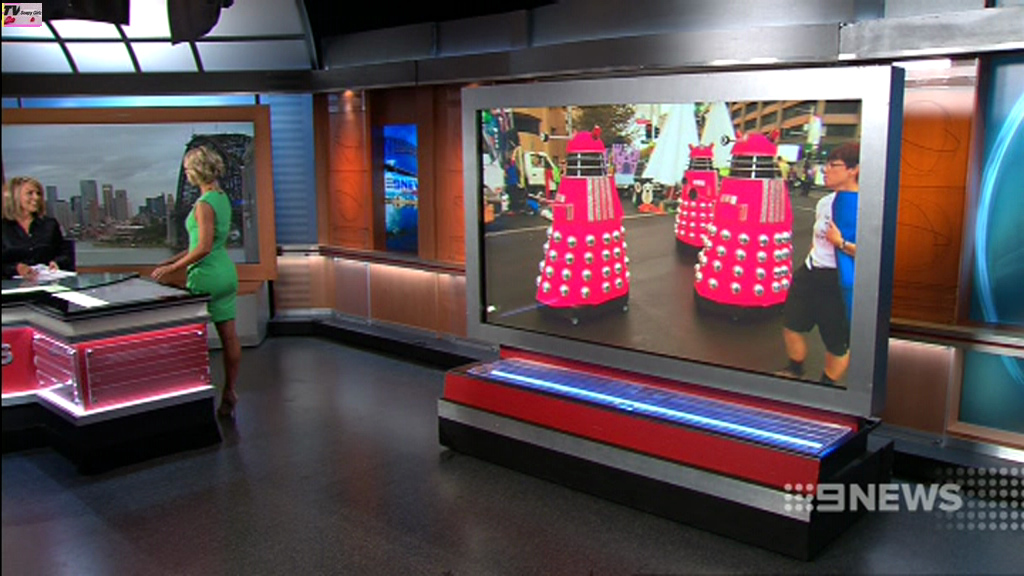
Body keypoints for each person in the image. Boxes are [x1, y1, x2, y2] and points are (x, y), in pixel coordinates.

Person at [152, 145, 241, 418]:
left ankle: (193, 394)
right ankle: (230, 391)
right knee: (229, 336)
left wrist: (173, 269)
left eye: (187, 168)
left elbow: (202, 248)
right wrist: (171, 260)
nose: (186, 173)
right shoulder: (221, 198)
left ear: (196, 170)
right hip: (225, 273)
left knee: (192, 339)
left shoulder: (203, 204)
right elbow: (207, 244)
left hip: (207, 277)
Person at [778, 142, 861, 385]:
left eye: (833, 165)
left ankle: (826, 385)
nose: (826, 170)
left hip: (836, 282)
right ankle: (795, 370)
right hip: (810, 272)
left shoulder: (865, 207)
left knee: (836, 345)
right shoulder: (825, 202)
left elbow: (873, 255)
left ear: (853, 170)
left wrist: (841, 243)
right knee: (791, 324)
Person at [2, 176, 74, 281]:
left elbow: (65, 254)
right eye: (30, 193)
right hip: (12, 286)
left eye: (38, 193)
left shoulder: (49, 224)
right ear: (14, 197)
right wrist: (16, 268)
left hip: (47, 284)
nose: (36, 198)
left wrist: (57, 263)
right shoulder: (4, 227)